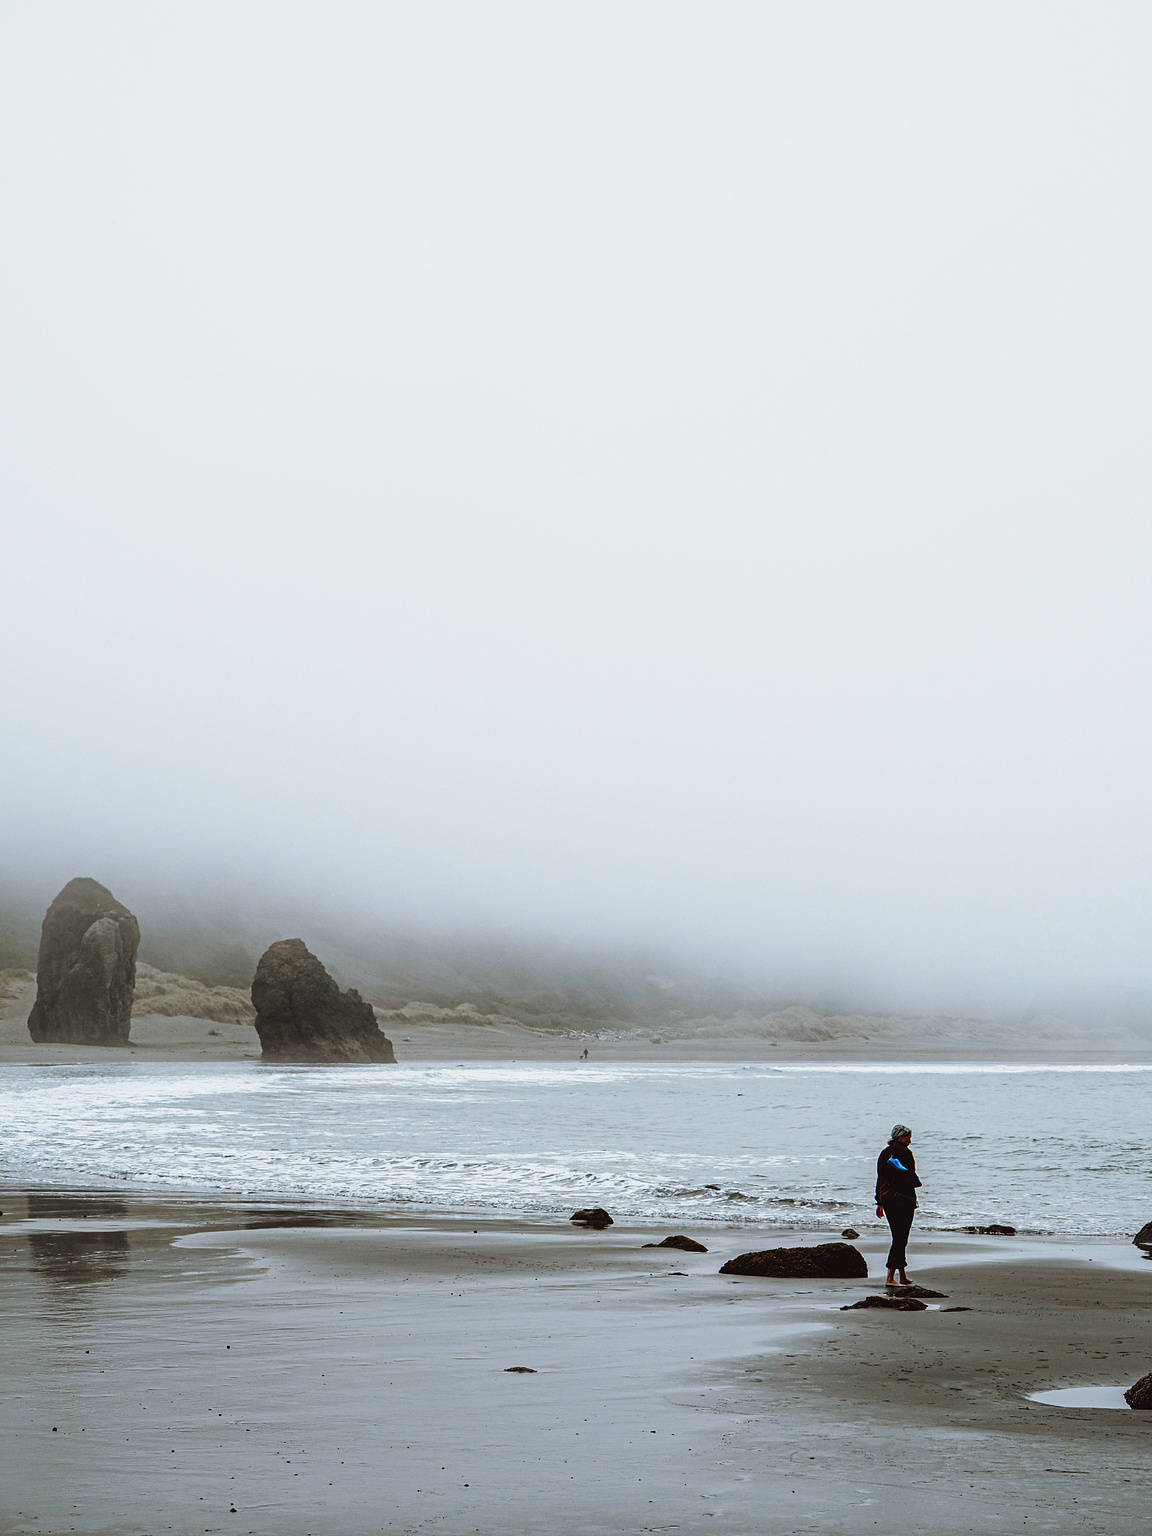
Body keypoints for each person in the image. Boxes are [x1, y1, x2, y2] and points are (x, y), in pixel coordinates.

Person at [875, 1123, 921, 1287]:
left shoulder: (884, 1153)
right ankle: (889, 1278)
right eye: (907, 1137)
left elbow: (880, 1179)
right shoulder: (905, 1153)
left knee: (899, 1236)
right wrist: (916, 1182)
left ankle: (902, 1275)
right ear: (900, 1137)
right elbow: (909, 1177)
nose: (909, 1140)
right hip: (903, 1200)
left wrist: (879, 1201)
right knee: (901, 1238)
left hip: (887, 1200)